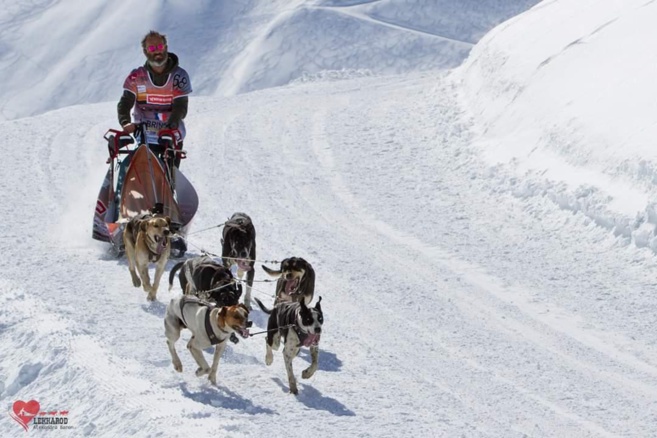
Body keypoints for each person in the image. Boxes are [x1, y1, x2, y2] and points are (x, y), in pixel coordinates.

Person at [117, 30, 192, 169]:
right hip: (145, 135)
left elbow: (181, 107)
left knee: (168, 175)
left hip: (170, 136)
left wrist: (171, 126)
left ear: (166, 48)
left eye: (160, 47)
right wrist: (125, 122)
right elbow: (125, 102)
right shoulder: (136, 77)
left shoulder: (179, 76)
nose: (157, 51)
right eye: (152, 48)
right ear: (145, 52)